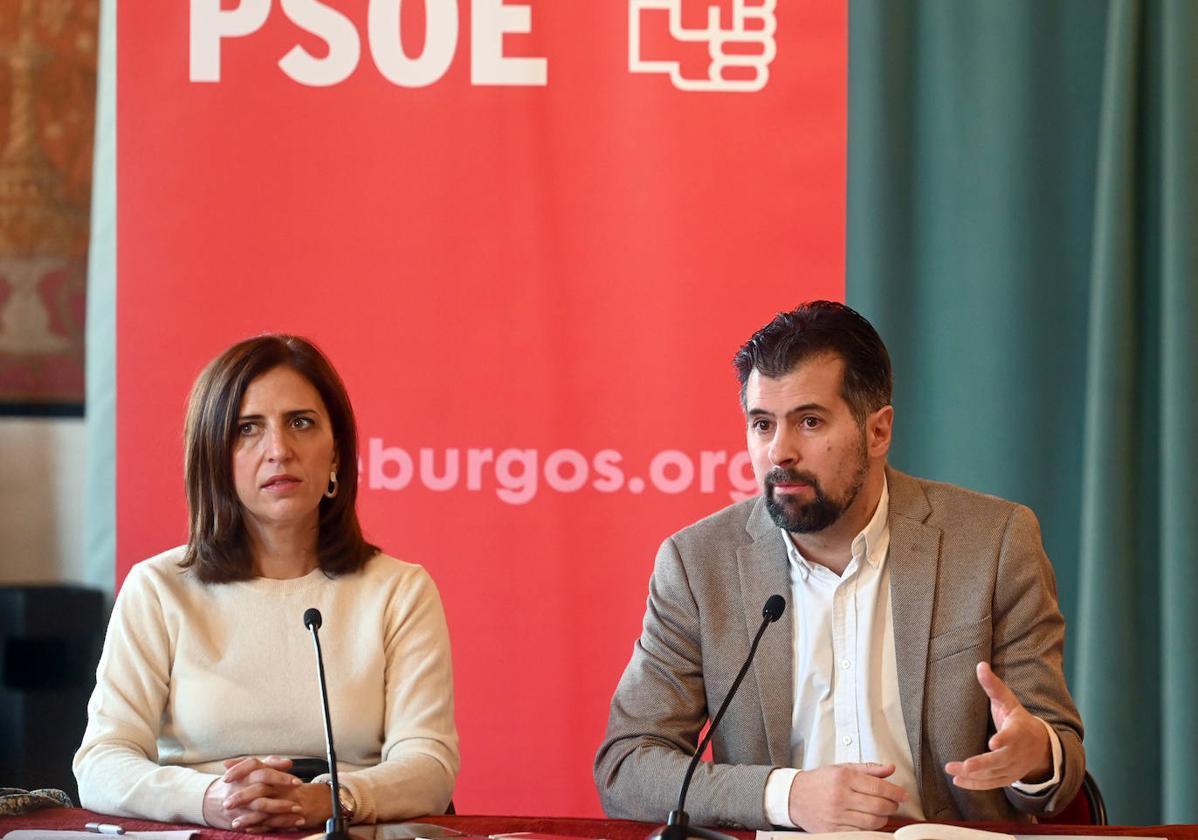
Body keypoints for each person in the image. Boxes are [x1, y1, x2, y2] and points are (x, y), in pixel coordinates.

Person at [594, 302, 1084, 831]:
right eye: (762, 424)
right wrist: (785, 795)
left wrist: (1034, 755)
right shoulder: (697, 565)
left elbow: (1057, 759)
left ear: (878, 432)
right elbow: (627, 766)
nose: (780, 451)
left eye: (809, 421)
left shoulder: (992, 542)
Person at [74, 335, 459, 830]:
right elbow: (102, 761)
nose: (279, 450)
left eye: (301, 423)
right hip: (205, 828)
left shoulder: (399, 590)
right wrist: (213, 798)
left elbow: (430, 767)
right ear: (215, 457)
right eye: (247, 429)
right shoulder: (158, 588)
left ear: (337, 454)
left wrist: (328, 801)